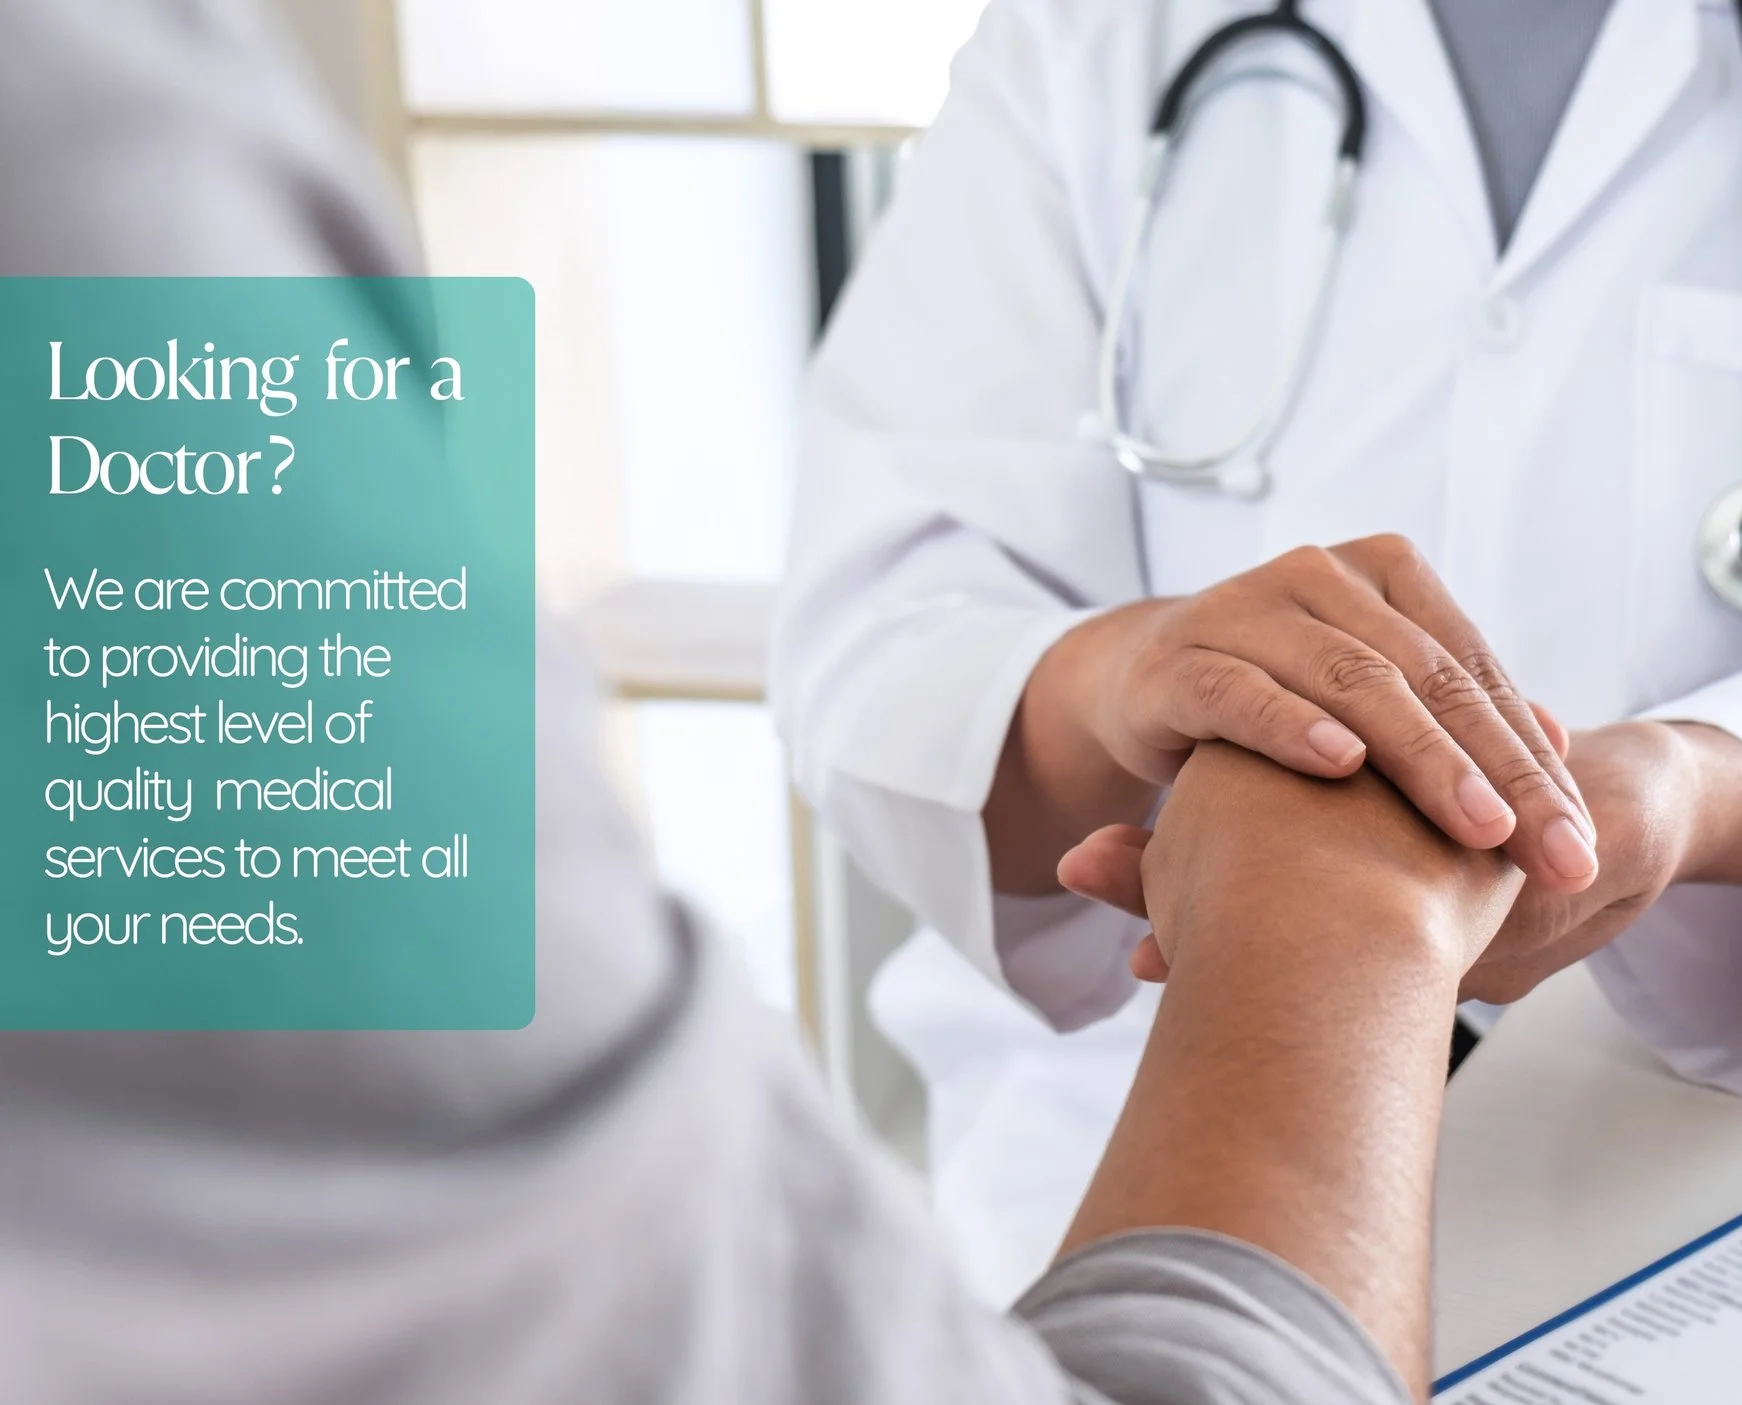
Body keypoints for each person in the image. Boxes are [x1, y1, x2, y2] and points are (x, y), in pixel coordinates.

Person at [0, 2, 1516, 1400]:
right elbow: (875, 619)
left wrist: (1722, 775)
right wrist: (1329, 892)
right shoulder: (75, 173)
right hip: (1196, 1176)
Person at [772, 0, 1742, 1298]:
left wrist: (1686, 793)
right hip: (1130, 1124)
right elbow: (883, 623)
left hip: (1703, 1160)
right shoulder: (1091, 33)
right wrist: (1130, 676)